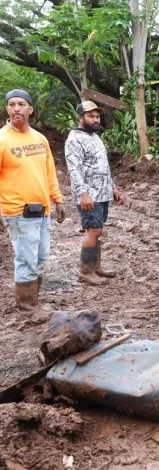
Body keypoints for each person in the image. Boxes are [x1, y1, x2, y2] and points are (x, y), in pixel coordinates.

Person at [0, 89, 66, 324]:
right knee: (26, 259)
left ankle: (34, 302)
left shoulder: (39, 139)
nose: (16, 108)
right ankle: (28, 309)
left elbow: (49, 172)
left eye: (21, 104)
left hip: (42, 210)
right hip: (17, 211)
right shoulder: (3, 139)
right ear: (7, 109)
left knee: (40, 258)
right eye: (11, 104)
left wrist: (57, 198)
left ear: (30, 109)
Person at [64, 101, 122, 286]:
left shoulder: (95, 137)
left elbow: (102, 166)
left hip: (102, 192)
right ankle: (86, 271)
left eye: (97, 116)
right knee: (93, 230)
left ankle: (96, 267)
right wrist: (82, 194)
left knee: (98, 230)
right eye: (91, 116)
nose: (95, 120)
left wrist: (112, 187)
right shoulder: (74, 139)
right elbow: (74, 170)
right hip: (89, 195)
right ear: (80, 118)